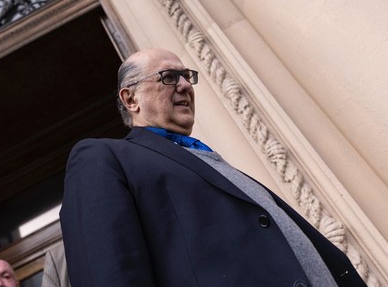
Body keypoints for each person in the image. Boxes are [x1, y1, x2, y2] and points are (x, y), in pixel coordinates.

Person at [60, 48, 366, 286]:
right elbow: (109, 271)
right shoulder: (105, 156)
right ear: (131, 98)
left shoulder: (205, 158)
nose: (184, 86)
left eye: (186, 76)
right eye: (168, 77)